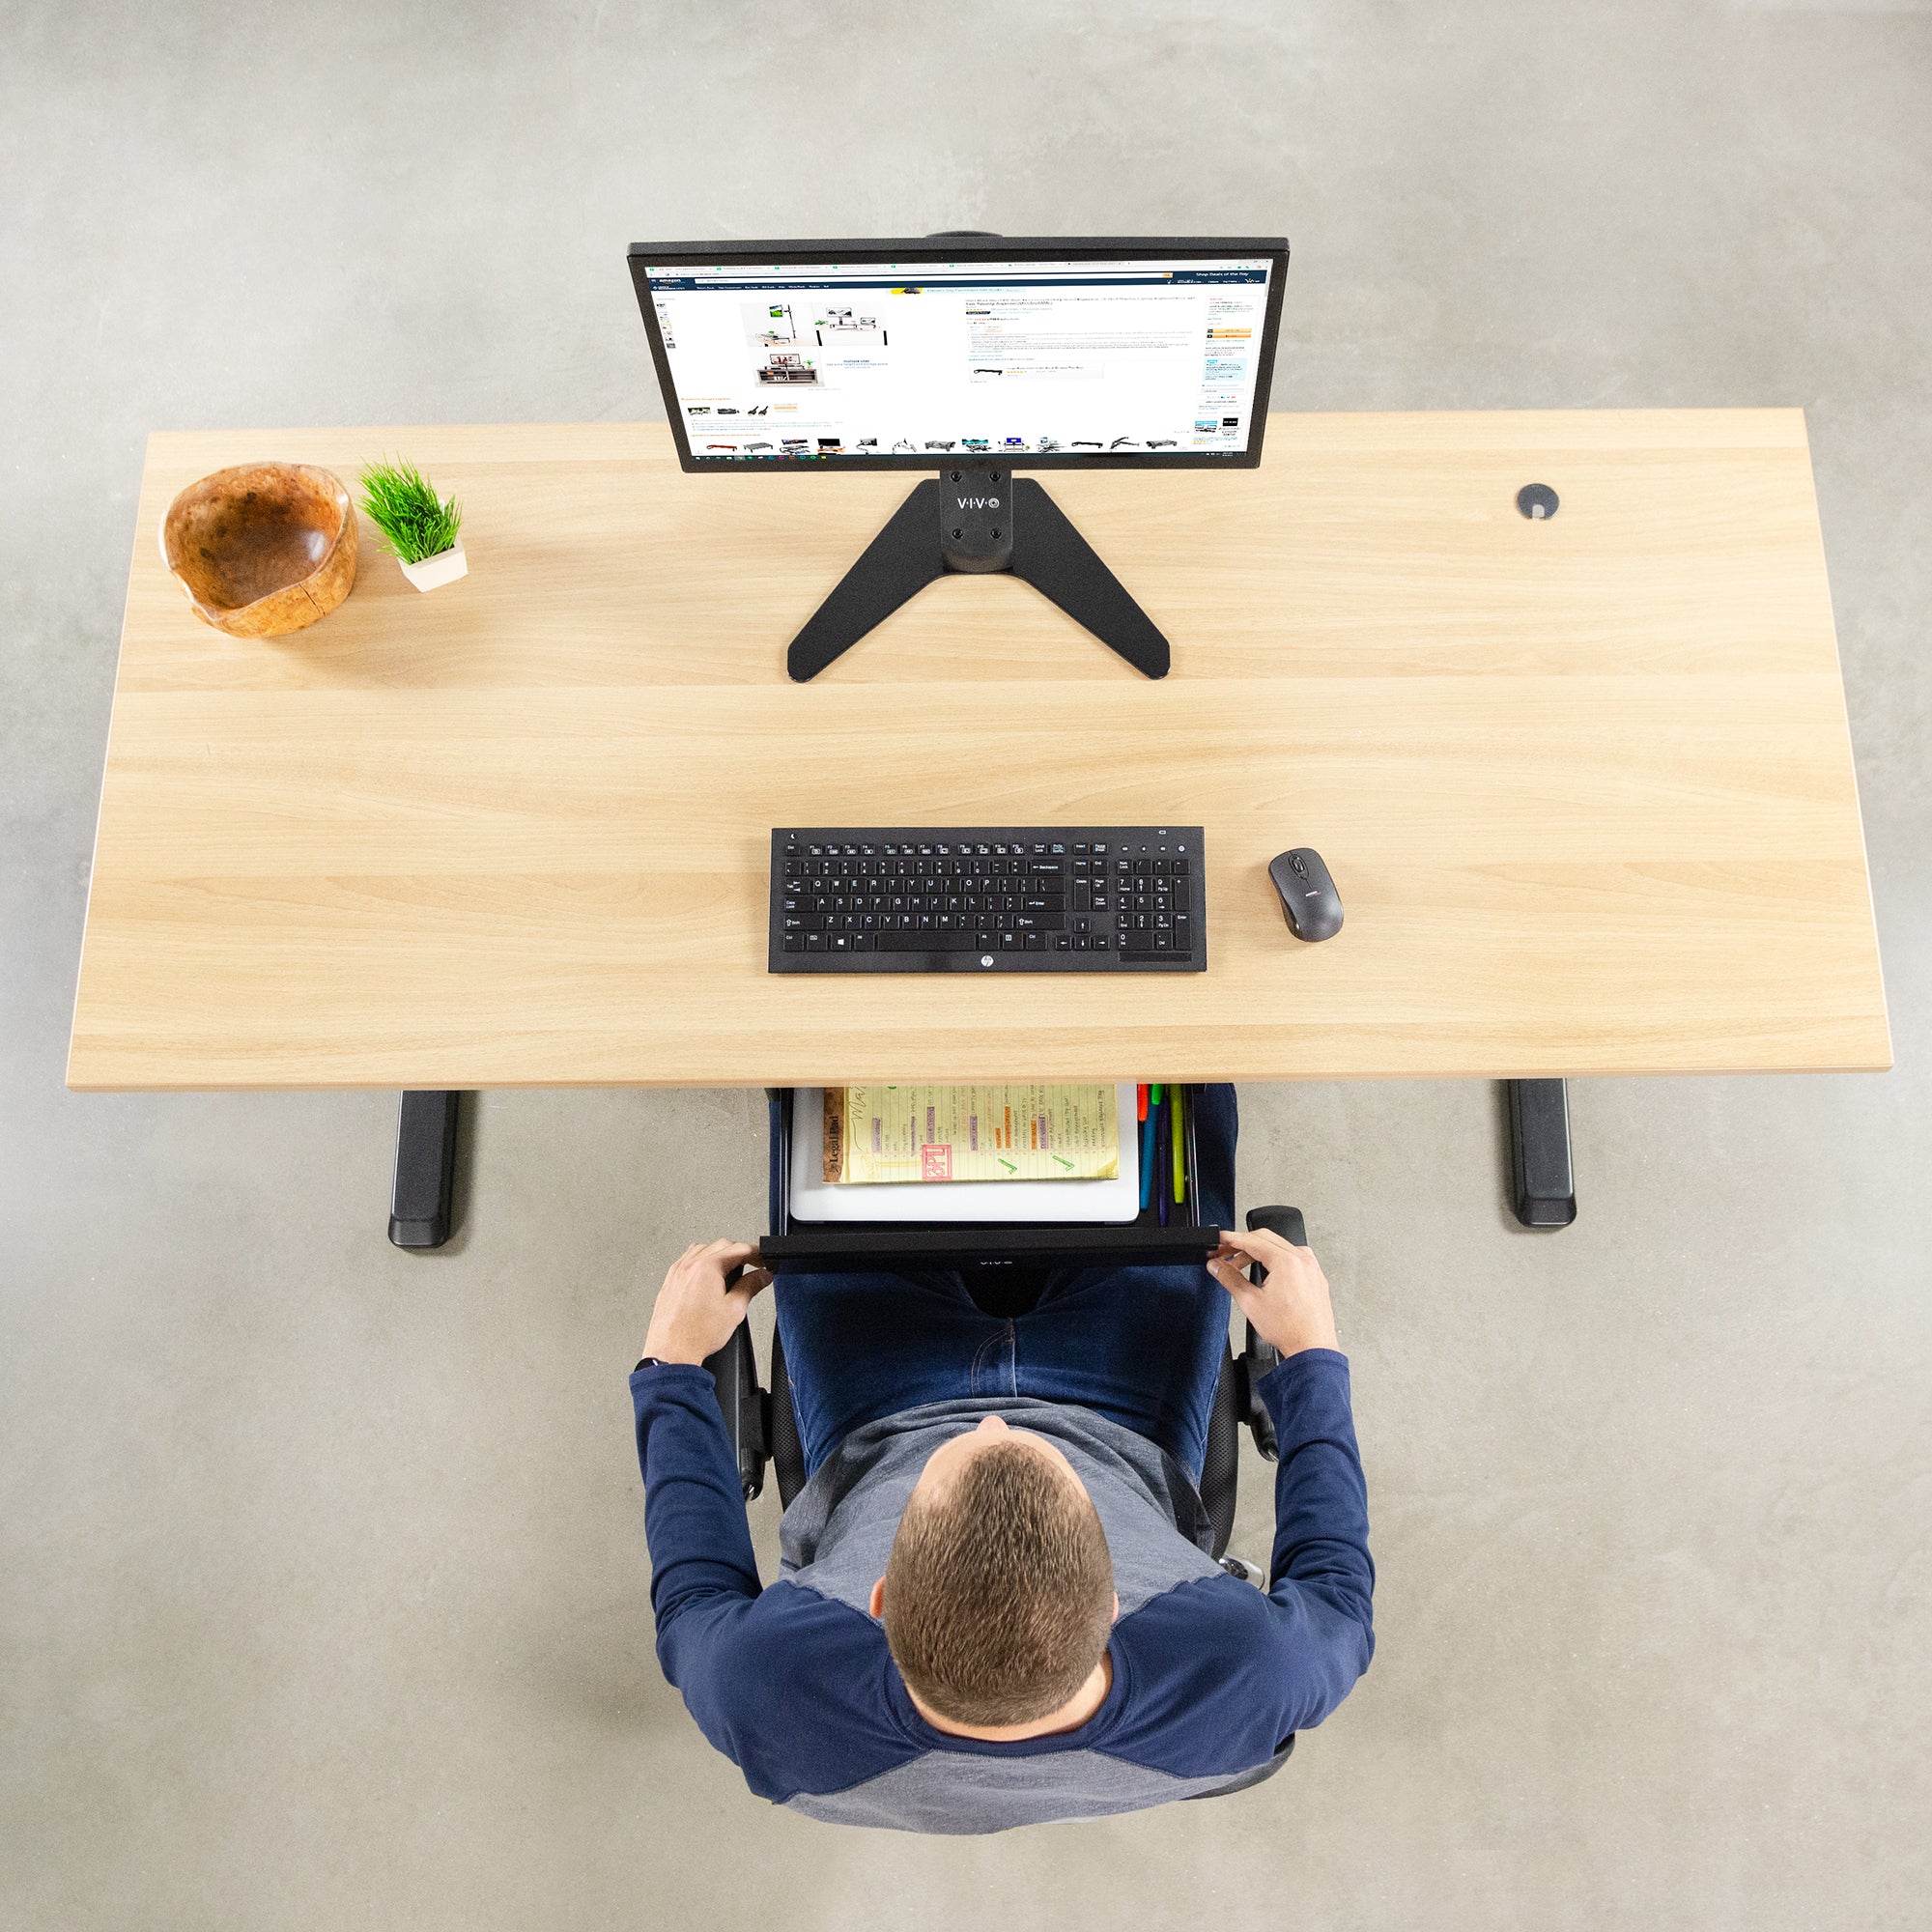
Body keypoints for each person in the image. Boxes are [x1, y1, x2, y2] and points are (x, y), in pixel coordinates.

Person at [629, 1086, 1373, 1832]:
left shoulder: (776, 1691)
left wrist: (672, 1364)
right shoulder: (1242, 1672)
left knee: (833, 1113)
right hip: (1124, 1413)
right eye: (1040, 1456)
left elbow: (694, 1599)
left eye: (959, 1454)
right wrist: (1309, 1351)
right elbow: (1337, 1590)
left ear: (878, 1600)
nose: (992, 1419)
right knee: (1176, 1107)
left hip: (881, 1408)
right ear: (1115, 1605)